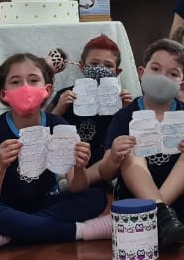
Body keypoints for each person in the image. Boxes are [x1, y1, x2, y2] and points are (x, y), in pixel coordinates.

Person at [0, 54, 111, 257]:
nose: (25, 87)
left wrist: (80, 167)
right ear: (3, 94)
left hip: (49, 201)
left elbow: (76, 186)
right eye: (15, 82)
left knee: (95, 197)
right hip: (9, 205)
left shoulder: (58, 125)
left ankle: (9, 234)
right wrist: (0, 165)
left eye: (33, 80)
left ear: (48, 89)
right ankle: (81, 231)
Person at [96, 40, 184, 250]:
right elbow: (105, 173)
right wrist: (114, 157)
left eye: (173, 73)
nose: (162, 77)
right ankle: (162, 216)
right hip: (134, 199)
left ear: (183, 85)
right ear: (141, 72)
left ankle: (157, 213)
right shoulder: (125, 117)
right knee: (130, 150)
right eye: (156, 69)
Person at [48, 35, 135, 175]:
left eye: (108, 66)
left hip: (106, 167)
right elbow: (43, 130)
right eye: (94, 64)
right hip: (67, 167)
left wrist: (127, 110)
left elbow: (132, 139)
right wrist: (58, 110)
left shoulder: (122, 99)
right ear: (82, 66)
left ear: (117, 72)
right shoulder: (65, 95)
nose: (100, 69)